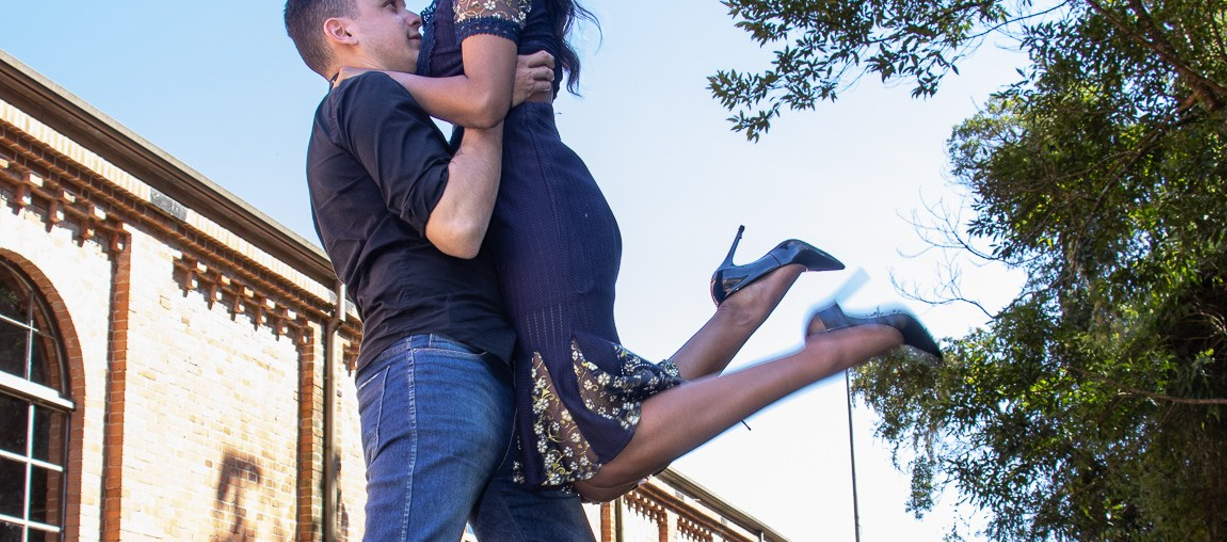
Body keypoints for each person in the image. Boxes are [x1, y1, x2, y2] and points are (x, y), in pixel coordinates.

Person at [190, 2, 613, 542]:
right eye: (386, 3)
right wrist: (488, 107)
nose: (412, 13)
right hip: (432, 368)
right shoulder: (363, 96)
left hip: (484, 373)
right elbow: (456, 226)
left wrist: (490, 105)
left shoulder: (391, 105)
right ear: (340, 33)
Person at [340, 0, 942, 504]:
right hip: (531, 205)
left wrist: (366, 80)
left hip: (535, 204)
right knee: (604, 434)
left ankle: (830, 351)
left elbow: (483, 100)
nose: (407, 12)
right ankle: (745, 305)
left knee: (596, 451)